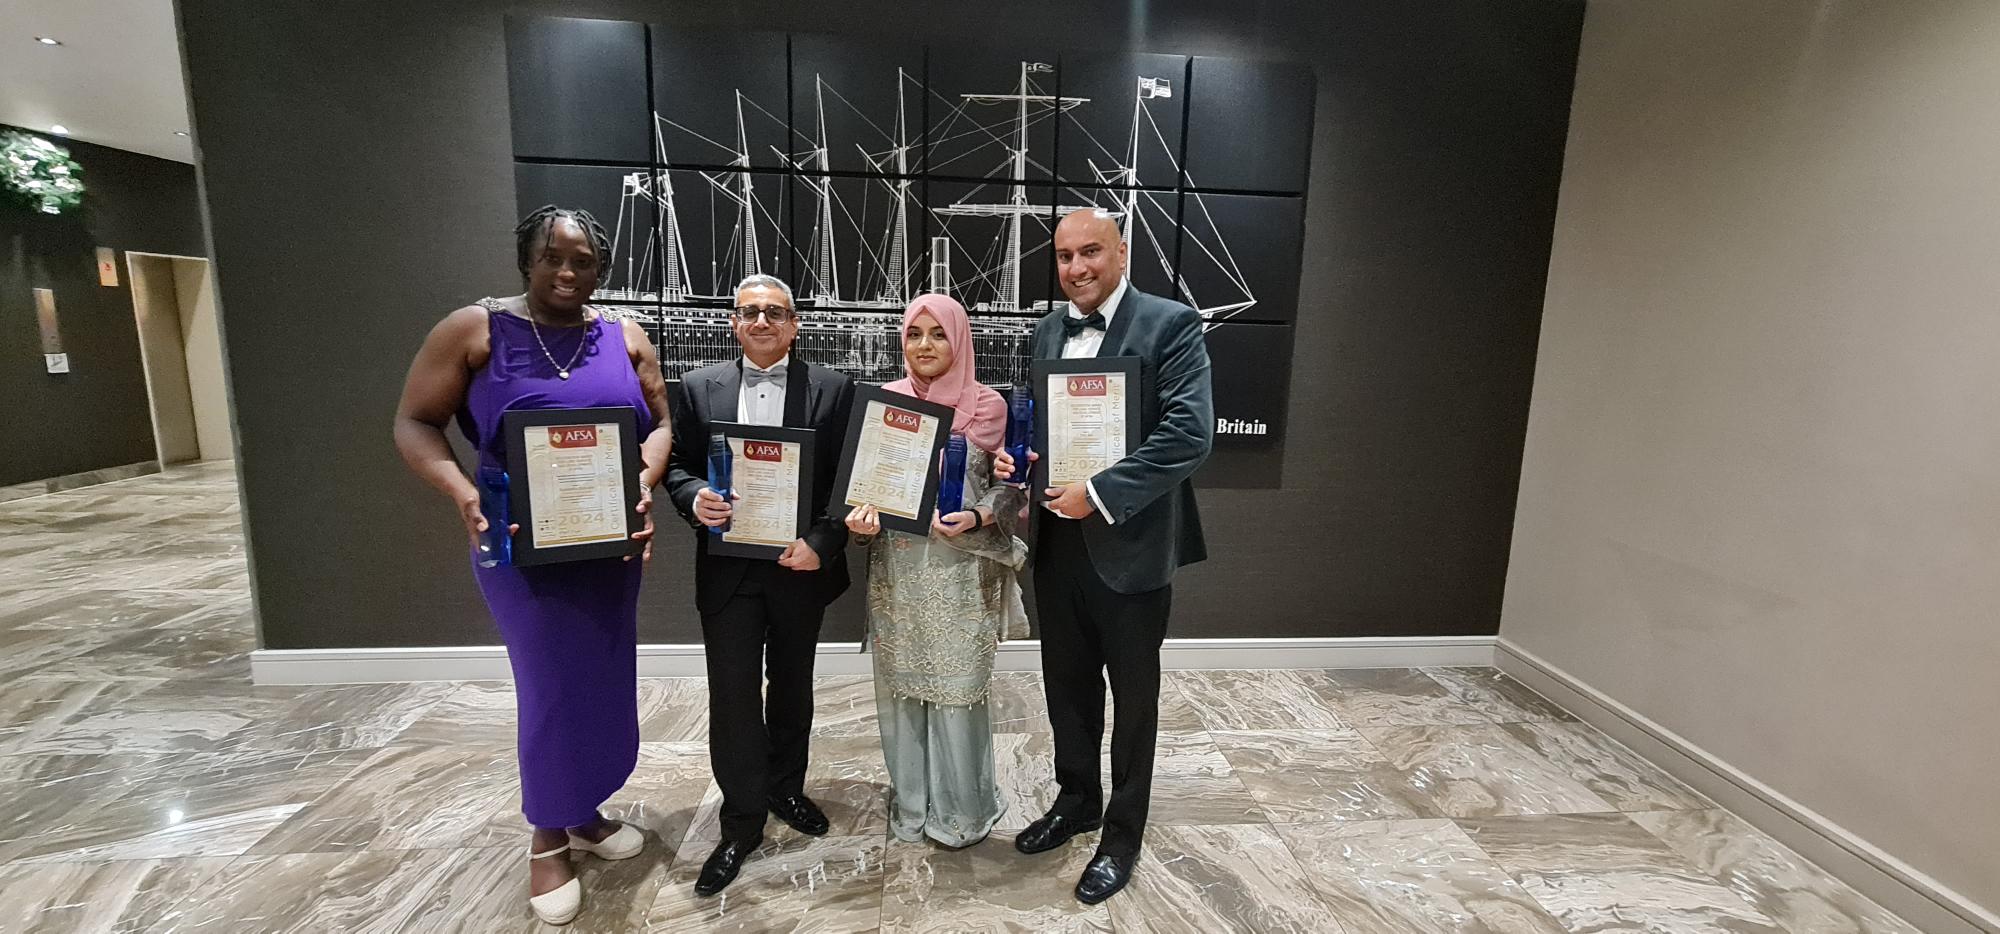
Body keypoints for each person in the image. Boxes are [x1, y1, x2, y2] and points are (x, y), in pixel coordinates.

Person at [392, 205, 671, 925]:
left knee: (604, 677)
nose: (568, 272)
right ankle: (548, 834)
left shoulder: (624, 336)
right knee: (548, 683)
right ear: (528, 258)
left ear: (600, 269)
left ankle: (585, 812)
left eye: (583, 260)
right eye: (554, 257)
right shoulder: (474, 331)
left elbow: (662, 423)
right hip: (517, 546)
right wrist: (459, 491)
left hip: (607, 546)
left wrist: (643, 480)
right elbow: (415, 421)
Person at [995, 208, 1215, 904]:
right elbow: (1044, 432)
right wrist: (1019, 460)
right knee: (1067, 689)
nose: (1076, 268)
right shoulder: (1047, 330)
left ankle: (1122, 833)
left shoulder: (1171, 323)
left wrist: (1099, 491)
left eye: (1090, 252)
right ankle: (1076, 801)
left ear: (1121, 252)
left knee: (1135, 699)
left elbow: (1189, 434)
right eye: (1063, 257)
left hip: (1133, 545)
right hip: (1058, 546)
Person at [661, 273, 855, 896]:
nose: (762, 322)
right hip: (727, 569)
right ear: (734, 323)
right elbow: (678, 467)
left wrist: (822, 546)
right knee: (735, 694)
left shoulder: (832, 388)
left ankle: (786, 789)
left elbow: (844, 482)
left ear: (795, 323)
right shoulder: (696, 387)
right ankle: (740, 823)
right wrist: (695, 500)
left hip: (799, 567)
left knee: (794, 686)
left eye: (775, 312)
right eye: (750, 312)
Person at [844, 294, 1028, 848]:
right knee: (902, 688)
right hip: (898, 569)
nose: (925, 345)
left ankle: (961, 811)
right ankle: (912, 803)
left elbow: (1009, 488)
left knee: (957, 691)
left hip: (959, 569)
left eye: (938, 334)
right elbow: (864, 498)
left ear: (960, 338)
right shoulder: (885, 405)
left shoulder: (989, 406)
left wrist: (977, 512)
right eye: (914, 334)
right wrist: (861, 524)